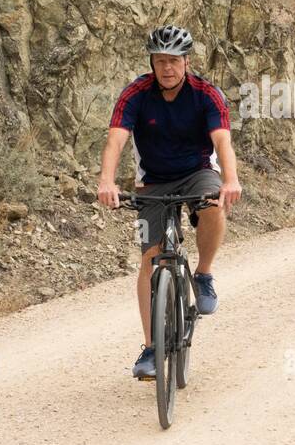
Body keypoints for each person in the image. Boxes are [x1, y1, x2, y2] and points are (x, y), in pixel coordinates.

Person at [96, 25, 242, 380]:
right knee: (150, 258)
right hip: (153, 181)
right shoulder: (135, 94)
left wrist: (231, 180)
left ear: (186, 62)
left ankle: (204, 274)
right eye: (160, 61)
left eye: (174, 61)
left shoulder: (206, 94)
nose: (167, 68)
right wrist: (106, 180)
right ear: (152, 62)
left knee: (212, 206)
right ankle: (150, 347)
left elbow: (222, 142)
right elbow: (116, 140)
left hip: (197, 171)